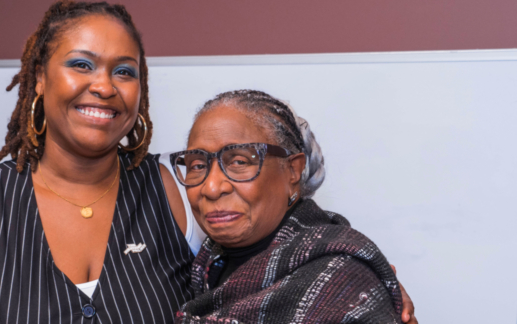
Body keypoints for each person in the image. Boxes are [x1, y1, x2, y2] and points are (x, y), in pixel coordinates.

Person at [0, 0, 417, 324]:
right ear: (38, 77)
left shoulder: (174, 190)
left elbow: (260, 268)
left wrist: (361, 282)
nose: (103, 86)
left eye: (124, 71)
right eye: (80, 64)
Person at [170, 90, 412, 323]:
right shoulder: (206, 267)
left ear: (293, 170)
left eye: (239, 162)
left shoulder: (342, 280)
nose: (211, 188)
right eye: (198, 165)